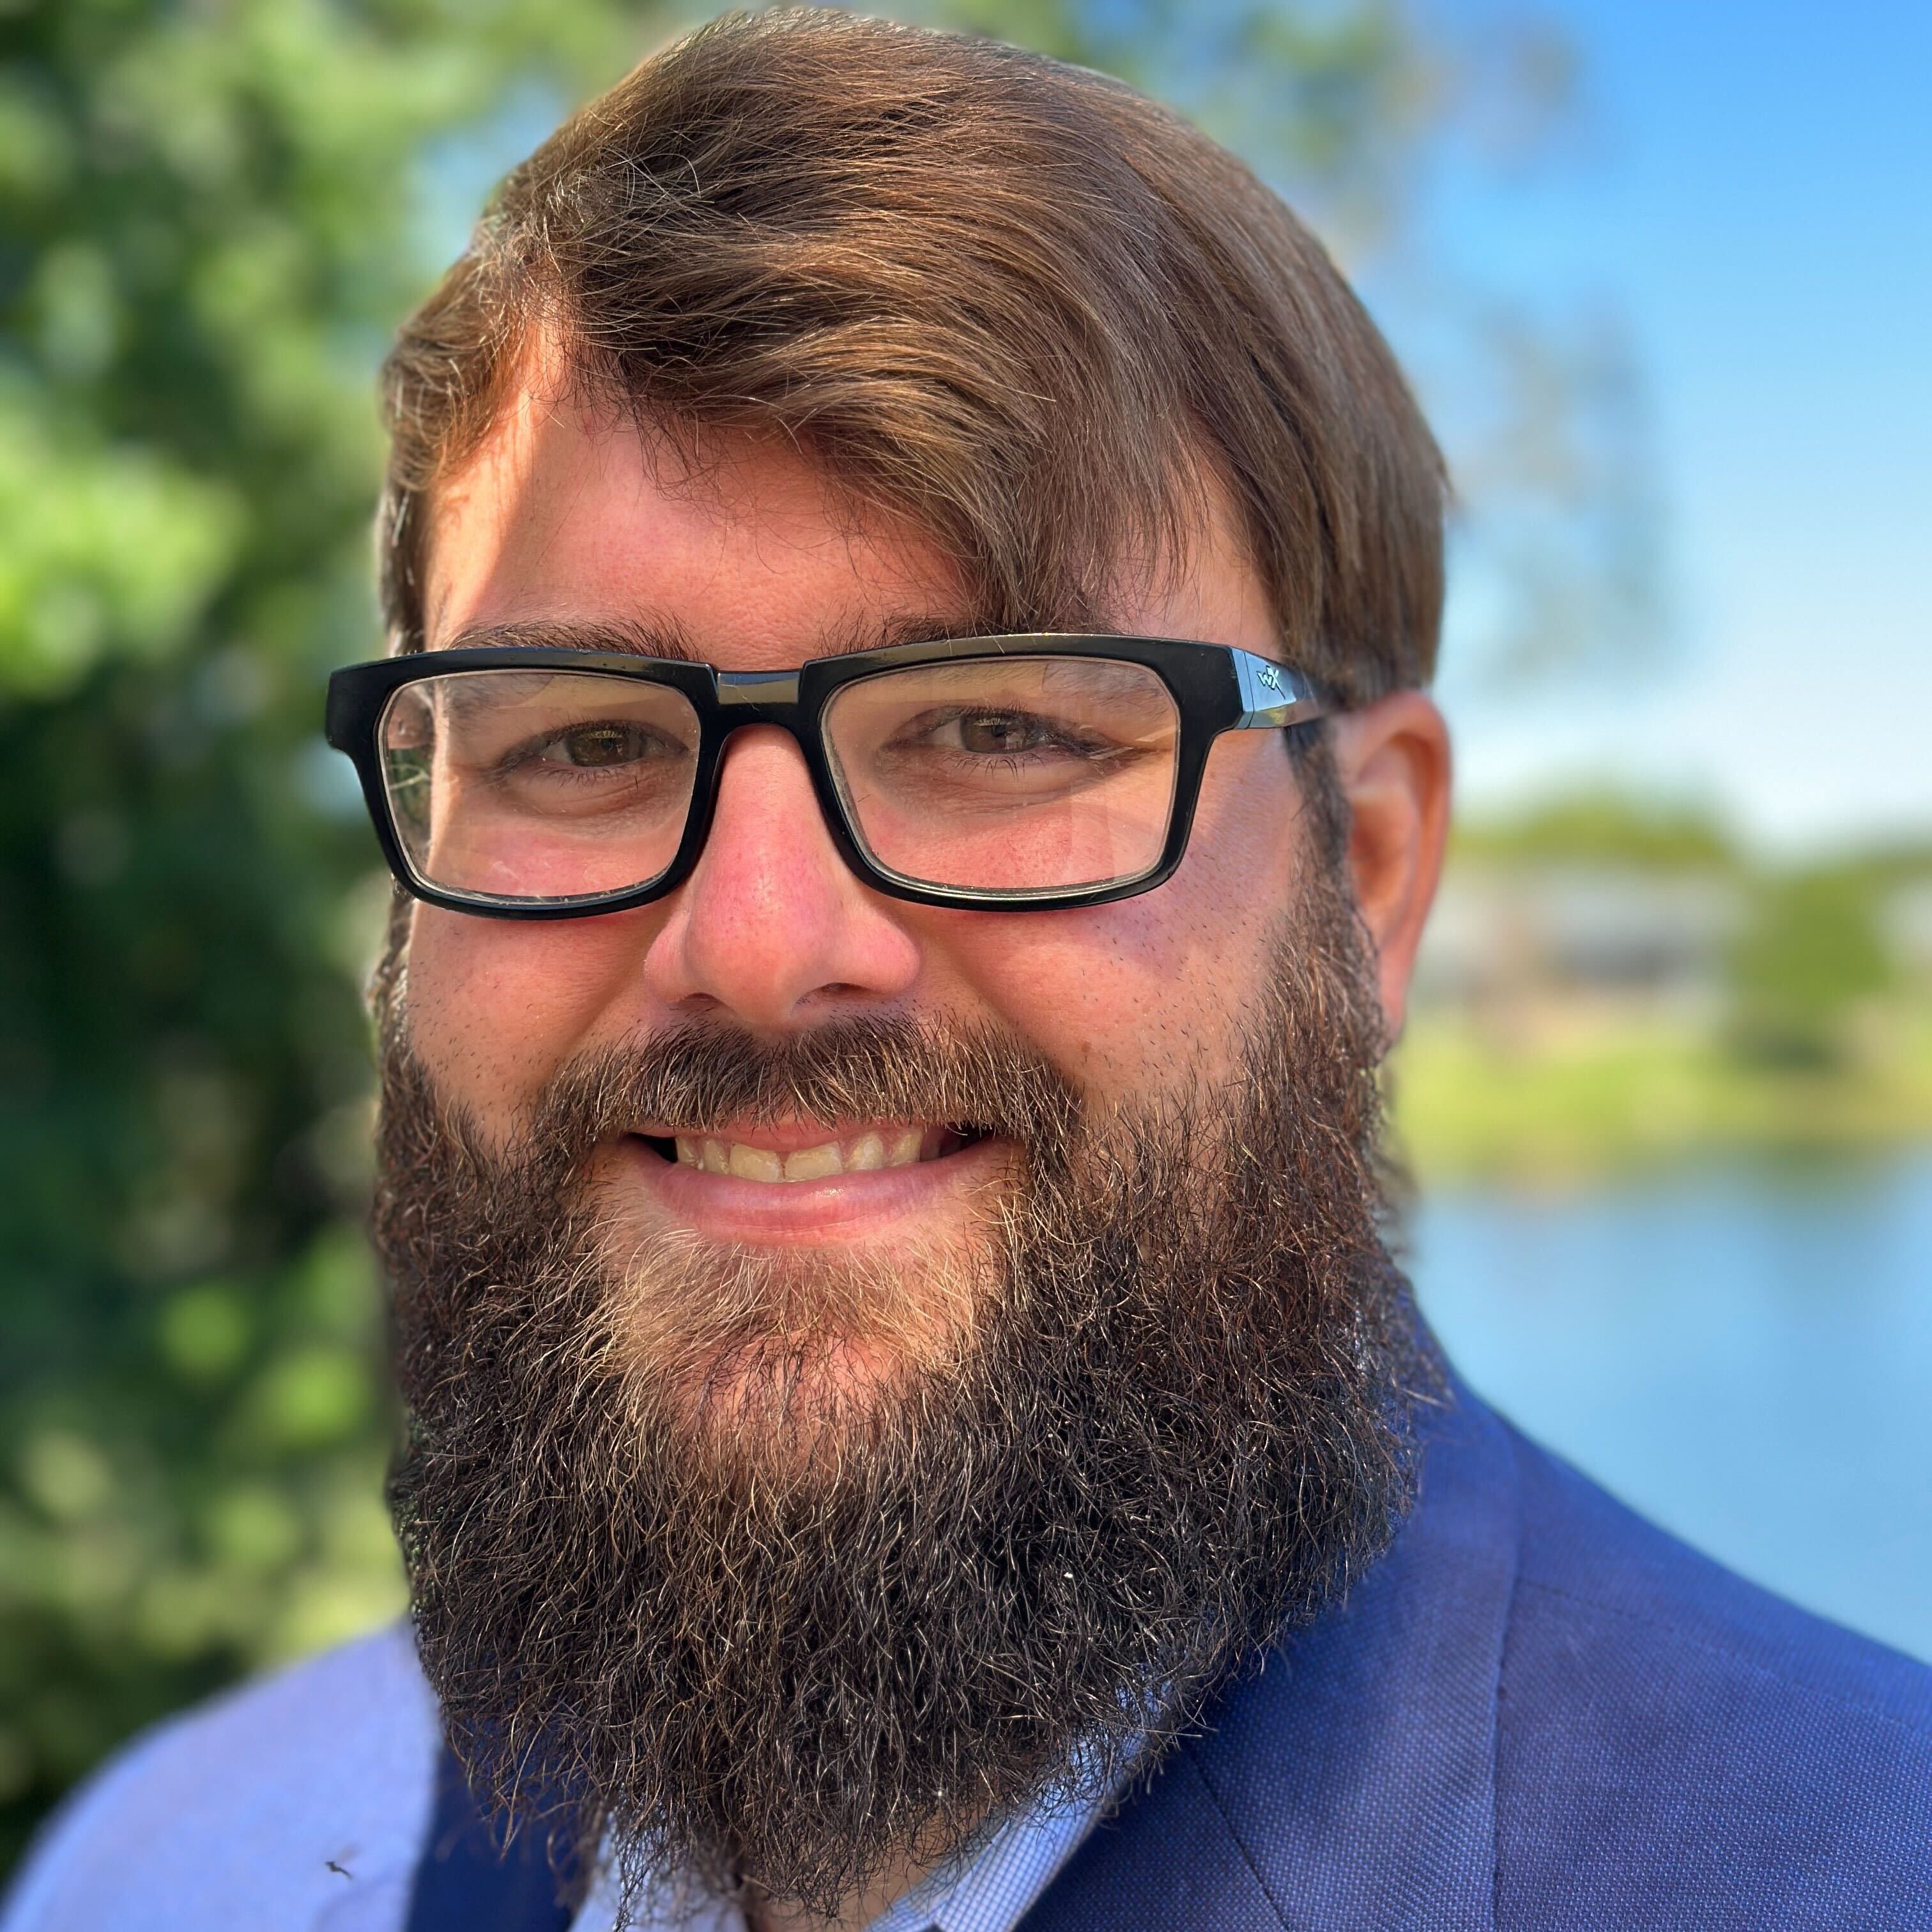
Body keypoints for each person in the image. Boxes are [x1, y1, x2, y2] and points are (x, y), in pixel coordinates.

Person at [6, 12, 1929, 1931]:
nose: (761, 948)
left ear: (1368, 872)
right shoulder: (156, 1875)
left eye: (1002, 730)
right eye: (581, 741)